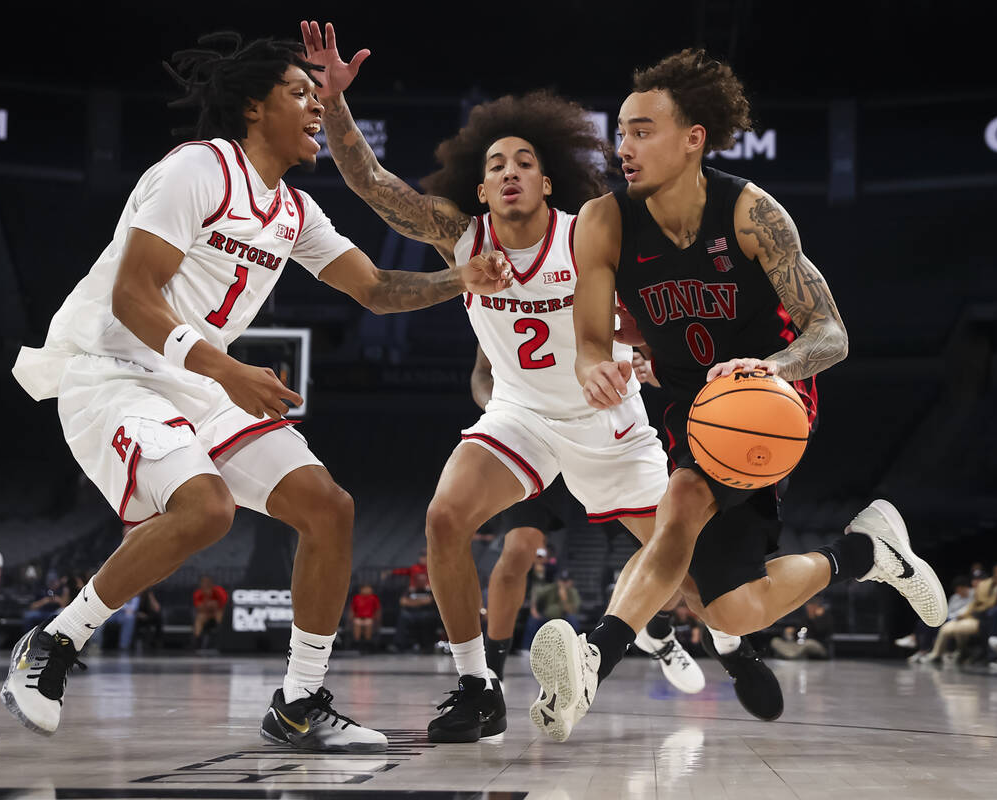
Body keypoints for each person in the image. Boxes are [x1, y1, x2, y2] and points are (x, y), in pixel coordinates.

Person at [1, 30, 511, 750]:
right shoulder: (198, 170)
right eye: (298, 94)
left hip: (200, 382)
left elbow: (371, 287)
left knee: (328, 509)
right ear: (251, 107)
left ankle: (299, 703)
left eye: (315, 95)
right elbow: (133, 296)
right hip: (115, 370)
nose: (313, 109)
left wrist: (463, 278)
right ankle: (53, 643)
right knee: (206, 509)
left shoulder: (294, 212)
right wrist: (227, 370)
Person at [303, 21, 707, 744]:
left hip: (603, 417)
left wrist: (642, 356)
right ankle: (477, 686)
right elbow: (368, 182)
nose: (510, 169)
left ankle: (675, 629)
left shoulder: (590, 230)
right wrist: (334, 102)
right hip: (519, 413)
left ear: (547, 183)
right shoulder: (463, 241)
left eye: (524, 160)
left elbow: (654, 317)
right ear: (483, 189)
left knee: (694, 574)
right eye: (496, 164)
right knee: (444, 518)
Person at [529, 49, 948, 742]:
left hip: (764, 401)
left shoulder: (752, 213)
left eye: (641, 130)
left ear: (693, 137)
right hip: (679, 401)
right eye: (621, 131)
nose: (622, 147)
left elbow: (831, 332)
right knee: (731, 610)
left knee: (684, 504)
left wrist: (772, 367)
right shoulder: (602, 222)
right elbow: (593, 340)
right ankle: (866, 554)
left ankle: (594, 660)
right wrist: (593, 367)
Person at [473, 352, 701, 693]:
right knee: (519, 549)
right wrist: (503, 408)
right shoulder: (493, 299)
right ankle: (492, 670)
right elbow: (481, 374)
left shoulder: (604, 301)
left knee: (671, 550)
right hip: (533, 434)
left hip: (600, 433)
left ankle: (658, 631)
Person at [769, 595, 833, 660]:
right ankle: (794, 654)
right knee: (775, 641)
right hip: (799, 644)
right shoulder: (804, 619)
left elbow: (822, 632)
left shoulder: (824, 618)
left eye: (813, 605)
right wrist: (791, 631)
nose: (810, 608)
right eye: (808, 605)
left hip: (816, 644)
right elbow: (797, 632)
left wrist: (818, 618)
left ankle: (791, 655)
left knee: (809, 643)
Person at [392, 573, 440, 652]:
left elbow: (429, 601)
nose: (420, 582)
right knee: (403, 616)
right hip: (411, 614)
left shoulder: (429, 590)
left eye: (422, 580)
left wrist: (412, 602)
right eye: (419, 580)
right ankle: (400, 645)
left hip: (426, 614)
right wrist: (420, 602)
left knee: (428, 618)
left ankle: (427, 645)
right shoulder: (409, 590)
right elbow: (403, 602)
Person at [192, 575, 229, 648]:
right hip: (206, 614)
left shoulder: (219, 590)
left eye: (207, 582)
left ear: (211, 583)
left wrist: (214, 604)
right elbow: (199, 608)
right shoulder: (198, 593)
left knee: (220, 616)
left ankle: (223, 639)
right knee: (199, 618)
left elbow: (224, 604)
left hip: (217, 612)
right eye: (203, 582)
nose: (205, 584)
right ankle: (197, 641)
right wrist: (207, 601)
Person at [349, 583, 382, 651]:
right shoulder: (357, 597)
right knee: (357, 622)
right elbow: (352, 609)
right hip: (358, 617)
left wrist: (377, 618)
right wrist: (350, 618)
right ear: (361, 589)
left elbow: (378, 609)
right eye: (365, 588)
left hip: (369, 618)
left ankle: (367, 643)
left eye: (368, 588)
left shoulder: (373, 598)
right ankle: (357, 643)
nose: (367, 590)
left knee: (368, 623)